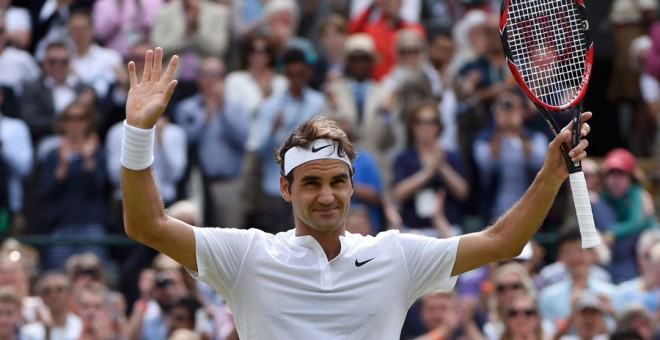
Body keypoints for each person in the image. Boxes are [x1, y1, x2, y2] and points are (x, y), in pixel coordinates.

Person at [120, 47, 592, 339]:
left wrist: (550, 173)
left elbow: (502, 243)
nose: (327, 196)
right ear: (285, 188)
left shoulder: (395, 254)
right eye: (311, 183)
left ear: (351, 184)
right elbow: (145, 225)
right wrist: (138, 133)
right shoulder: (246, 254)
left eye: (337, 181)